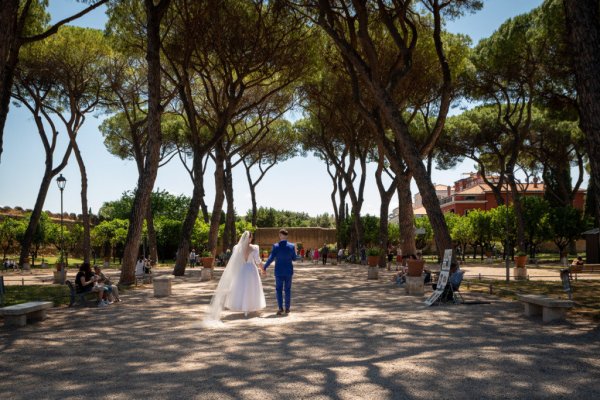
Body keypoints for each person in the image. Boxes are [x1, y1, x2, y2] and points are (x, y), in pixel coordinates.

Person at [204, 231, 266, 325]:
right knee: (251, 288)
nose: (251, 239)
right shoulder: (254, 248)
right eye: (251, 237)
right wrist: (263, 269)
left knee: (241, 288)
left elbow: (234, 261)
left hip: (241, 270)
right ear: (250, 238)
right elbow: (258, 261)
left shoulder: (237, 248)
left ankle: (243, 307)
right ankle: (248, 308)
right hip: (251, 270)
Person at [263, 229, 297, 315]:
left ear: (280, 235)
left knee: (278, 290)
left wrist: (264, 267)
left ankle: (280, 308)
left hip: (279, 271)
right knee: (288, 290)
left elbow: (271, 258)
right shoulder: (292, 246)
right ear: (286, 236)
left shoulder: (276, 246)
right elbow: (294, 258)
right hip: (288, 271)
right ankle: (287, 308)